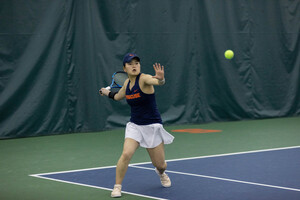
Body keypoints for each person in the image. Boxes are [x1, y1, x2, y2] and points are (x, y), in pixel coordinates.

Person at [100, 53, 174, 198]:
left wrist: (161, 78)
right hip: (135, 126)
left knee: (160, 164)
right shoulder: (127, 84)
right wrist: (106, 92)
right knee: (126, 153)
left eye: (136, 63)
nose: (134, 66)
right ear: (125, 68)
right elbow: (117, 96)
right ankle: (117, 187)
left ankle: (162, 173)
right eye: (130, 64)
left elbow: (158, 82)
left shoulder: (145, 78)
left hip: (152, 126)